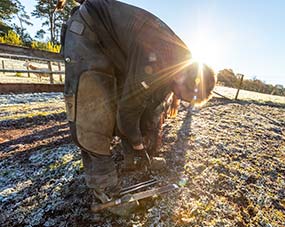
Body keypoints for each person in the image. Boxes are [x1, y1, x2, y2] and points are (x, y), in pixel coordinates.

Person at [57, 0, 216, 215]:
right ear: (184, 78)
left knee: (128, 104)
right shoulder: (162, 58)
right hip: (89, 31)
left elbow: (151, 106)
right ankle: (104, 189)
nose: (177, 97)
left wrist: (143, 149)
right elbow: (129, 110)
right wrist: (138, 142)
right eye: (180, 94)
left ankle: (132, 158)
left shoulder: (178, 64)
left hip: (114, 49)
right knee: (94, 110)